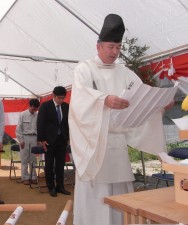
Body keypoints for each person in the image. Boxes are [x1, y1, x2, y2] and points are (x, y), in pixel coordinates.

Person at [69, 14, 172, 225]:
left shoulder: (125, 72)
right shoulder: (84, 69)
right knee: (97, 198)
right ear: (98, 46)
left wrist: (158, 105)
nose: (115, 52)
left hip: (118, 147)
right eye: (110, 47)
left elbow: (142, 96)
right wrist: (104, 100)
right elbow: (79, 100)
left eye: (118, 47)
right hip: (95, 147)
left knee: (122, 198)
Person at [37, 86, 70, 197]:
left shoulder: (66, 107)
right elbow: (40, 123)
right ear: (53, 95)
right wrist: (41, 139)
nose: (61, 100)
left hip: (62, 140)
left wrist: (68, 138)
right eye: (59, 98)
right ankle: (51, 187)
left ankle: (60, 186)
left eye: (63, 98)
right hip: (49, 141)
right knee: (49, 165)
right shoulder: (45, 106)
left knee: (60, 164)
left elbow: (67, 124)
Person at [15, 98, 40, 185]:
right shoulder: (22, 114)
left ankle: (33, 177)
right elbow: (18, 129)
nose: (34, 111)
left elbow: (40, 129)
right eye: (33, 109)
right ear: (29, 106)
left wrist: (39, 140)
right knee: (24, 159)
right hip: (25, 138)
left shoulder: (38, 115)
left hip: (34, 138)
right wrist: (21, 140)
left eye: (36, 109)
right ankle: (25, 177)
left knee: (33, 159)